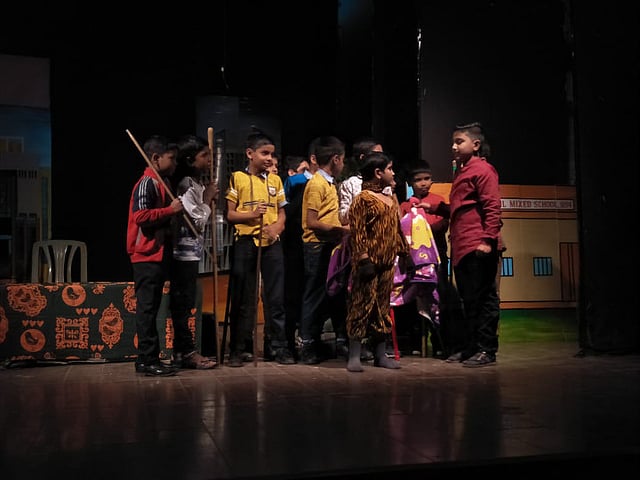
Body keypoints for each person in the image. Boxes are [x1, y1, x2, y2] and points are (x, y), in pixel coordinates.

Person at [428, 122, 502, 367]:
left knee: (483, 298)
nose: (454, 146)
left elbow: (492, 206)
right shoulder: (462, 171)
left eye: (459, 141)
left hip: (477, 244)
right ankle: (471, 347)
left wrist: (487, 240)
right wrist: (436, 208)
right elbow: (461, 208)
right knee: (469, 300)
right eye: (453, 142)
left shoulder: (483, 170)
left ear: (476, 144)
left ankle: (486, 349)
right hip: (462, 245)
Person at [224, 129, 296, 367]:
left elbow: (282, 213)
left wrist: (277, 227)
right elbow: (231, 214)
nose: (269, 158)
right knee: (244, 298)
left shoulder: (275, 180)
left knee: (275, 298)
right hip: (246, 243)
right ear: (250, 154)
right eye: (264, 153)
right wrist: (252, 214)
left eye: (271, 154)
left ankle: (279, 347)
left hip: (271, 243)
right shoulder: (238, 178)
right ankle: (238, 348)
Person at [345, 150, 411, 372]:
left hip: (387, 264)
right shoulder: (363, 200)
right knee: (361, 305)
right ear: (378, 173)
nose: (393, 173)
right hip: (368, 265)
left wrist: (404, 252)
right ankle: (354, 354)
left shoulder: (390, 199)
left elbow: (396, 230)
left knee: (382, 307)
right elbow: (358, 232)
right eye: (390, 169)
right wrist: (363, 259)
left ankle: (380, 354)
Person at [127, 135, 183, 377]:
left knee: (152, 307)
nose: (175, 163)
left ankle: (148, 359)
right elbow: (140, 217)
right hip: (146, 254)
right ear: (156, 158)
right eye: (172, 158)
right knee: (147, 308)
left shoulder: (162, 182)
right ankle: (148, 359)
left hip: (157, 253)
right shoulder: (146, 183)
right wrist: (169, 210)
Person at [299, 135, 350, 364]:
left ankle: (330, 340)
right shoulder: (316, 184)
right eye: (343, 160)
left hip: (330, 245)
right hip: (316, 246)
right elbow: (311, 221)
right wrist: (340, 229)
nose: (343, 164)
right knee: (314, 295)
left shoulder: (330, 184)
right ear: (336, 159)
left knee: (332, 294)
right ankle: (307, 343)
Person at [169, 134, 219, 370]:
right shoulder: (186, 185)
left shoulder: (196, 184)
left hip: (192, 253)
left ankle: (183, 351)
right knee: (182, 303)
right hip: (183, 254)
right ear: (190, 160)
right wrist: (207, 199)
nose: (209, 159)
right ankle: (186, 351)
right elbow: (196, 221)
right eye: (204, 155)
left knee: (187, 301)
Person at [336, 136, 384, 361]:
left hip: (382, 249)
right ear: (364, 158)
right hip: (361, 249)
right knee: (359, 298)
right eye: (378, 154)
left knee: (381, 300)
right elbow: (344, 216)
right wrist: (362, 205)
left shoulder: (385, 185)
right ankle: (356, 345)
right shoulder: (351, 185)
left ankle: (379, 345)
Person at [399, 161, 449, 358]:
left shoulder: (438, 202)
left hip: (436, 259)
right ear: (410, 183)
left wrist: (421, 224)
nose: (423, 183)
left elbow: (442, 225)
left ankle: (439, 342)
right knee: (413, 300)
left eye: (427, 179)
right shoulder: (405, 206)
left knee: (437, 299)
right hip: (413, 262)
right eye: (418, 180)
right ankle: (415, 342)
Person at [281, 145, 319, 356]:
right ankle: (288, 342)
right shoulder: (295, 183)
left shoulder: (321, 185)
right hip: (293, 246)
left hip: (310, 247)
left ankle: (308, 339)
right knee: (293, 295)